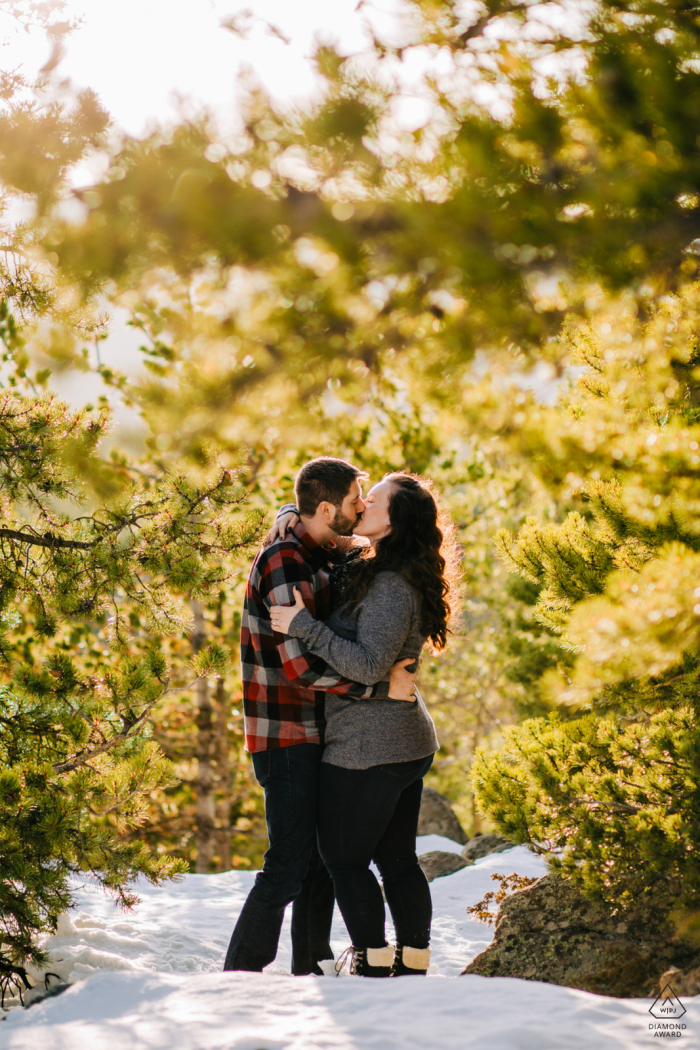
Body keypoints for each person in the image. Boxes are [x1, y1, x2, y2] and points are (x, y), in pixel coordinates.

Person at [223, 457, 418, 975]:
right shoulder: (284, 561)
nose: (363, 505)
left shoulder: (322, 548)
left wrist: (294, 512)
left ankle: (310, 966)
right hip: (285, 733)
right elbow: (300, 668)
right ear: (328, 508)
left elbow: (354, 546)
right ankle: (238, 975)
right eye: (357, 497)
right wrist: (381, 686)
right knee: (287, 864)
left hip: (318, 732)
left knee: (317, 864)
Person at [270, 472, 459, 977]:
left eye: (374, 500)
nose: (364, 501)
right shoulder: (378, 564)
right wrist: (289, 516)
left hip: (370, 745)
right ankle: (413, 960)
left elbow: (370, 665)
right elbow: (319, 528)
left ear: (394, 520)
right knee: (397, 859)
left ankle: (375, 961)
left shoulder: (393, 586)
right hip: (397, 737)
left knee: (344, 858)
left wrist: (302, 625)